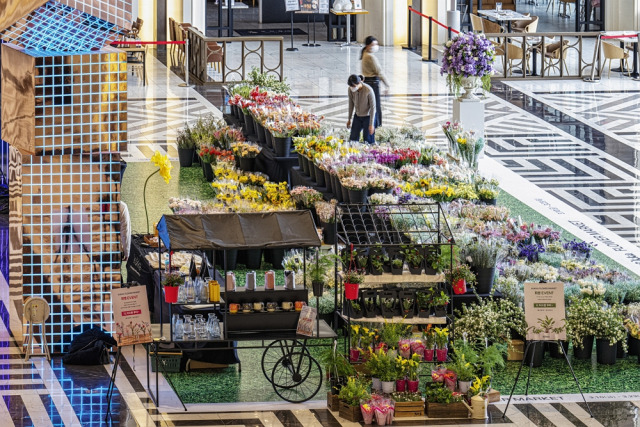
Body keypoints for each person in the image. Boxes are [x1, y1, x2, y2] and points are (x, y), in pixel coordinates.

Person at [361, 36, 389, 128]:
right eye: (374, 44)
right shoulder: (370, 57)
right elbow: (379, 71)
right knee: (376, 106)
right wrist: (387, 85)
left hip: (367, 81)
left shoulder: (364, 53)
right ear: (368, 46)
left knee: (370, 105)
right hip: (373, 82)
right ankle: (377, 125)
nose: (376, 46)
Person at [347, 74, 376, 144]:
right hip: (357, 116)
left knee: (368, 140)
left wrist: (371, 124)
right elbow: (351, 104)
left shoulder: (368, 90)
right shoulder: (350, 90)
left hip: (368, 116)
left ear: (359, 83)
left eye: (353, 86)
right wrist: (349, 119)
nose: (352, 88)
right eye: (350, 86)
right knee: (353, 138)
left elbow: (373, 107)